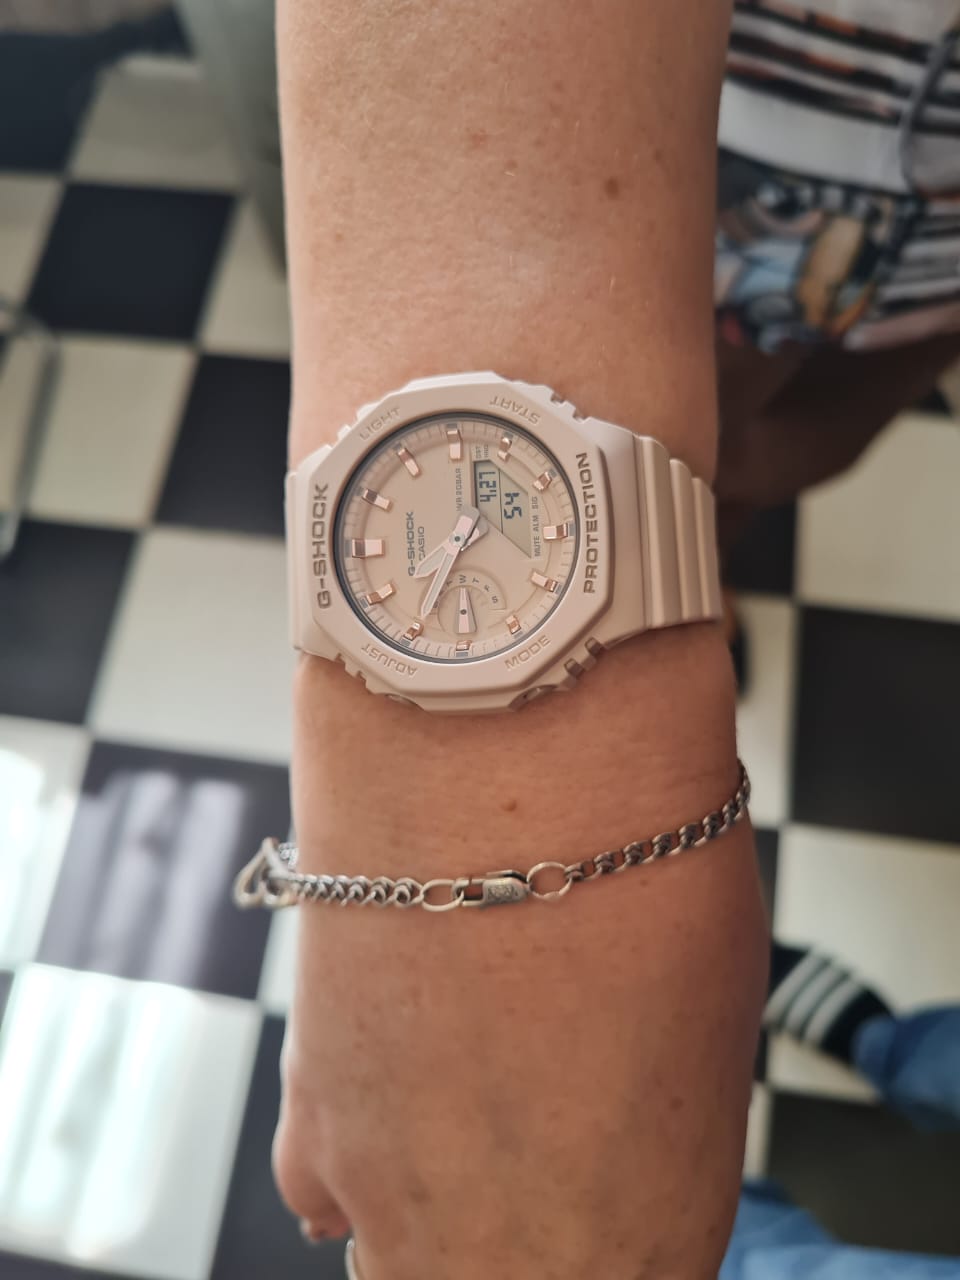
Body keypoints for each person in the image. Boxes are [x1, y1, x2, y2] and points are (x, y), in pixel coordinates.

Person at [267, 3, 960, 1277]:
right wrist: (451, 804)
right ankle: (673, 593)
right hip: (673, 158)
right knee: (702, 460)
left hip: (928, 267)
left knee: (769, 461)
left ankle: (694, 572)